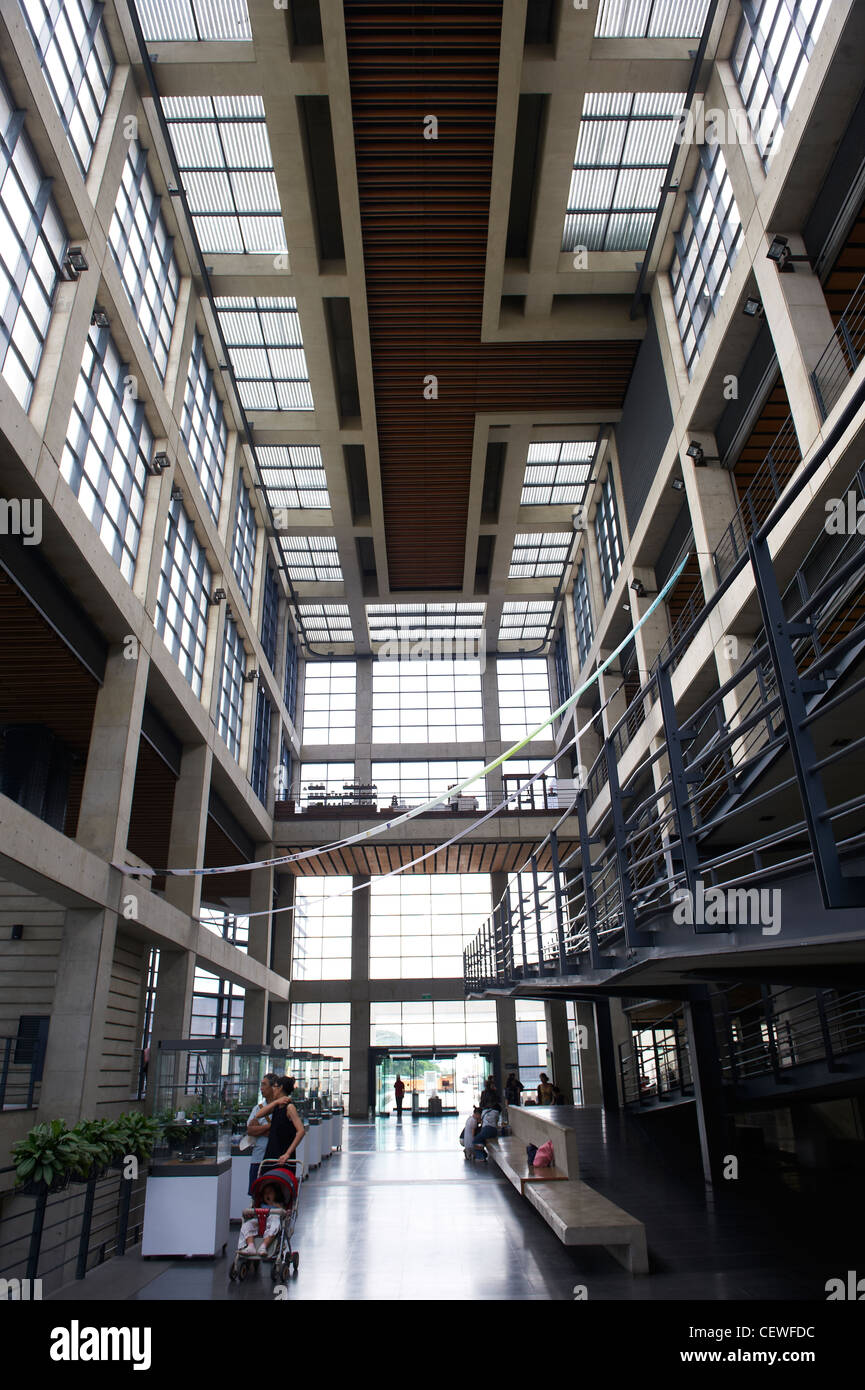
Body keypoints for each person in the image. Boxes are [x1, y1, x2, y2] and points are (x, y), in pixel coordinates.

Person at [257, 1075, 306, 1168]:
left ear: (280, 1088)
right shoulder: (276, 1106)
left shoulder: (289, 1107)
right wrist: (276, 1102)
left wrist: (287, 1154)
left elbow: (301, 1131)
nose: (273, 1089)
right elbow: (259, 1114)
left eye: (275, 1086)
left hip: (283, 1158)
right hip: (271, 1154)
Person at [245, 1072, 278, 1193]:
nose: (261, 1088)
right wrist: (269, 1127)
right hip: (258, 1158)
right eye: (261, 1084)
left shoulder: (280, 1108)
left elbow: (277, 1132)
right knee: (256, 1193)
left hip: (275, 1159)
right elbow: (250, 1130)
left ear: (273, 1087)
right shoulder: (258, 1108)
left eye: (264, 1085)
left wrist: (259, 1129)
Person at [237, 1182, 283, 1255]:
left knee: (275, 1224)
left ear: (276, 1194)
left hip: (272, 1221)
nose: (267, 1194)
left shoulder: (279, 1205)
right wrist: (250, 1214)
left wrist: (273, 1204)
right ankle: (250, 1246)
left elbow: (284, 1212)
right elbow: (255, 1213)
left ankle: (263, 1246)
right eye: (265, 1193)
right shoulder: (261, 1205)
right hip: (260, 1220)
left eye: (270, 1192)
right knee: (247, 1225)